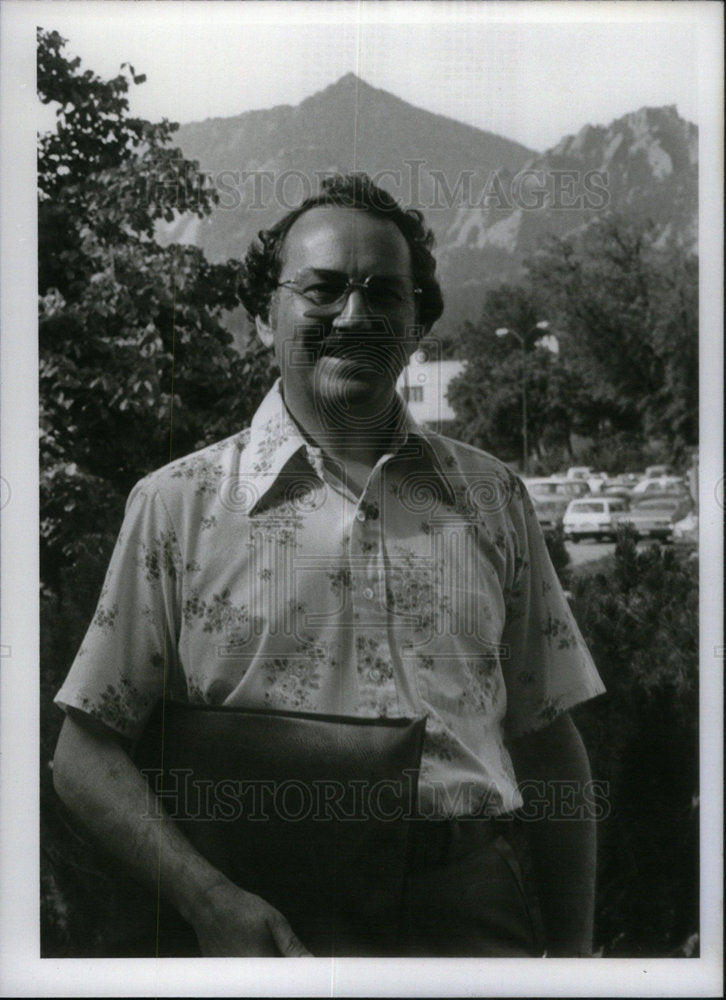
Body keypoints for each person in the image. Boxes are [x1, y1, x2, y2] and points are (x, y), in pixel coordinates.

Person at [52, 173, 605, 958]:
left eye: (385, 294)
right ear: (261, 317)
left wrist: (576, 963)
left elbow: (549, 742)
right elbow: (83, 754)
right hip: (260, 924)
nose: (356, 318)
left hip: (468, 918)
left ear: (416, 324)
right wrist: (208, 903)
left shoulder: (492, 497)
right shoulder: (177, 505)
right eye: (324, 290)